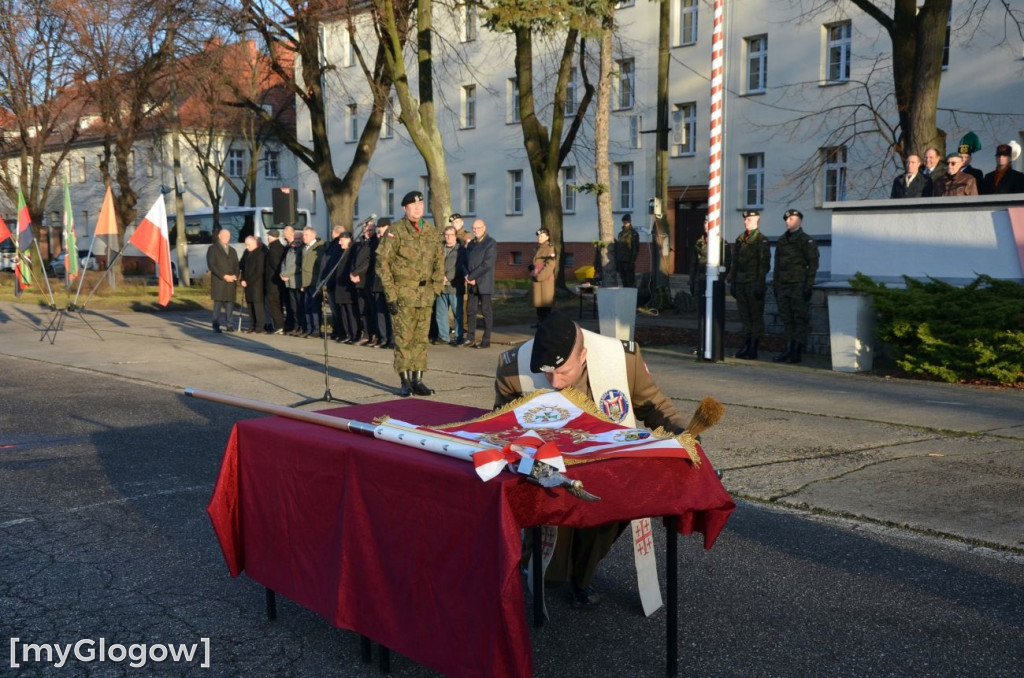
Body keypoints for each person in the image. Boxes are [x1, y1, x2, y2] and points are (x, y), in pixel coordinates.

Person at [493, 310, 690, 608]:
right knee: (549, 571)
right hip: (549, 466)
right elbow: (502, 424)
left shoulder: (622, 359)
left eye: (563, 372)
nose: (555, 382)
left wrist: (681, 433)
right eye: (547, 373)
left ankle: (582, 577)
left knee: (607, 514)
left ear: (583, 355)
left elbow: (652, 403)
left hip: (606, 461)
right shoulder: (513, 367)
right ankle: (543, 565)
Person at [376, 191, 445, 397]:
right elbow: (383, 264)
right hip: (403, 294)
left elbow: (439, 262)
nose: (418, 209)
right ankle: (405, 381)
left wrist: (436, 288)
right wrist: (391, 295)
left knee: (421, 340)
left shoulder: (431, 231)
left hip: (425, 294)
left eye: (421, 205)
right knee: (403, 339)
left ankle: (418, 379)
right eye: (413, 206)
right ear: (405, 208)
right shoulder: (395, 231)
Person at [772, 209, 819, 364]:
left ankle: (797, 350)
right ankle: (789, 348)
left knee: (799, 318)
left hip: (798, 284)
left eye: (791, 219)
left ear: (799, 221)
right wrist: (775, 284)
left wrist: (808, 285)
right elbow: (777, 264)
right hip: (783, 285)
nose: (788, 221)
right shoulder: (781, 240)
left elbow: (813, 264)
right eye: (786, 219)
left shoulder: (806, 241)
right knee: (786, 318)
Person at [726, 210, 770, 360]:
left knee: (755, 316)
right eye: (745, 220)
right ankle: (746, 343)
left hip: (753, 282)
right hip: (741, 283)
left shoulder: (761, 240)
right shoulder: (740, 239)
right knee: (745, 316)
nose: (746, 222)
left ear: (757, 220)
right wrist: (733, 281)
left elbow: (764, 264)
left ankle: (753, 346)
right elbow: (735, 261)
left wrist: (760, 283)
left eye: (750, 219)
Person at [463, 218, 497, 348]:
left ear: (484, 228)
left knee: (486, 311)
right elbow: (465, 261)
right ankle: (470, 337)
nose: (475, 231)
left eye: (478, 228)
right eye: (473, 228)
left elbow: (487, 264)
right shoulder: (471, 243)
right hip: (471, 282)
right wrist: (467, 275)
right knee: (471, 310)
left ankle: (486, 339)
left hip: (483, 282)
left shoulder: (490, 243)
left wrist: (473, 276)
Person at [434, 226, 466, 346]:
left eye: (451, 235)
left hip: (454, 285)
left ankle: (458, 336)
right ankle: (443, 336)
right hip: (440, 286)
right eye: (446, 235)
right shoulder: (440, 249)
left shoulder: (460, 250)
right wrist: (438, 277)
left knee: (457, 313)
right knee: (440, 313)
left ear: (455, 236)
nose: (448, 237)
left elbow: (459, 266)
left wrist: (447, 277)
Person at [207, 227, 240, 333]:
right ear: (219, 236)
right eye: (225, 236)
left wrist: (235, 276)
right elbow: (212, 265)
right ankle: (216, 324)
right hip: (219, 281)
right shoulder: (212, 249)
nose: (227, 238)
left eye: (228, 236)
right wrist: (224, 276)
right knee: (218, 304)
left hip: (231, 281)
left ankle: (229, 325)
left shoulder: (232, 250)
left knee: (230, 303)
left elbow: (236, 265)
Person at [368, 218, 395, 349]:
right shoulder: (379, 240)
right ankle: (384, 338)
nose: (380, 229)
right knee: (380, 312)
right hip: (378, 282)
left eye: (382, 226)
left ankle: (392, 339)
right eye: (379, 227)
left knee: (390, 313)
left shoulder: (391, 238)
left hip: (389, 282)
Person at [331, 231, 360, 343]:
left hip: (348, 287)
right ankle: (347, 333)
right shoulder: (341, 252)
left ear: (348, 239)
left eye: (341, 240)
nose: (339, 243)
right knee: (343, 312)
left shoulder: (353, 250)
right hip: (340, 287)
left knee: (351, 311)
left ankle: (354, 334)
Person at [320, 224, 346, 340]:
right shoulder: (333, 245)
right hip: (331, 281)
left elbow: (330, 264)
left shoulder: (336, 246)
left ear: (335, 233)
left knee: (337, 310)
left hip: (334, 282)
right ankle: (337, 331)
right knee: (335, 309)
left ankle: (340, 332)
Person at [299, 226, 325, 338]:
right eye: (303, 235)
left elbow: (321, 266)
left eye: (306, 235)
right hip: (306, 282)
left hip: (314, 282)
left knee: (315, 307)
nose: (304, 237)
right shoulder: (305, 248)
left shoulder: (319, 247)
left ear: (313, 235)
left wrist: (320, 283)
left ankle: (316, 330)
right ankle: (309, 329)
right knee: (307, 306)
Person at [279, 225, 304, 335]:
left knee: (299, 307)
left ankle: (301, 327)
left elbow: (298, 266)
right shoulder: (290, 249)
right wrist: (283, 273)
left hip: (297, 281)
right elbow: (284, 262)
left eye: (299, 239)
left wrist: (286, 273)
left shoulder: (301, 251)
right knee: (293, 307)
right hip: (289, 282)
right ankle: (295, 326)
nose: (297, 241)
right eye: (296, 238)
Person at [530, 227, 557, 324]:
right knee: (539, 304)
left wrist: (539, 276)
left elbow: (550, 265)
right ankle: (540, 323)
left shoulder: (550, 248)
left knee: (545, 304)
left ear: (547, 237)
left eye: (542, 236)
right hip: (537, 279)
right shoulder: (539, 248)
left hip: (545, 280)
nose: (539, 238)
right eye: (538, 236)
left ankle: (545, 324)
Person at [239, 236, 266, 333]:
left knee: (257, 305)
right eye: (246, 245)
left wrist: (248, 281)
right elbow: (243, 267)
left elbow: (259, 271)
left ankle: (260, 326)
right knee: (250, 305)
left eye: (248, 245)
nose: (247, 247)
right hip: (247, 283)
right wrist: (242, 279)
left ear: (254, 243)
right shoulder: (247, 253)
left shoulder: (259, 253)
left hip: (256, 284)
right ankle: (252, 325)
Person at [263, 228, 286, 334]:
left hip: (273, 282)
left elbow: (275, 264)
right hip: (278, 282)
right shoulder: (280, 246)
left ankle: (279, 325)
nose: (267, 238)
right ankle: (280, 325)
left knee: (274, 304)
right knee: (278, 303)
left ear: (270, 237)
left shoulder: (273, 249)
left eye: (268, 236)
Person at [614, 213, 639, 287]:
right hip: (621, 261)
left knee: (630, 281)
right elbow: (619, 247)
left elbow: (635, 248)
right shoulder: (620, 234)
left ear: (630, 222)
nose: (625, 223)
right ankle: (625, 297)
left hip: (628, 261)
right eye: (624, 221)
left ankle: (632, 297)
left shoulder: (633, 233)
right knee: (623, 281)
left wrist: (632, 261)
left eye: (627, 221)